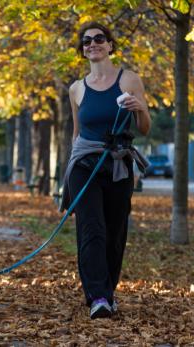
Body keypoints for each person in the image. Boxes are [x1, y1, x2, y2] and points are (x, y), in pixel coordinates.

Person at [60, 22, 151, 319]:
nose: (93, 44)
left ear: (110, 45)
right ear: (82, 51)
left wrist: (138, 108)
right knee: (91, 230)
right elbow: (77, 133)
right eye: (86, 41)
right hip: (84, 166)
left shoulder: (129, 80)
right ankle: (97, 296)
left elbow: (145, 127)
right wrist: (68, 173)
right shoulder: (76, 89)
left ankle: (108, 291)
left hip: (118, 166)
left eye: (99, 39)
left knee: (114, 233)